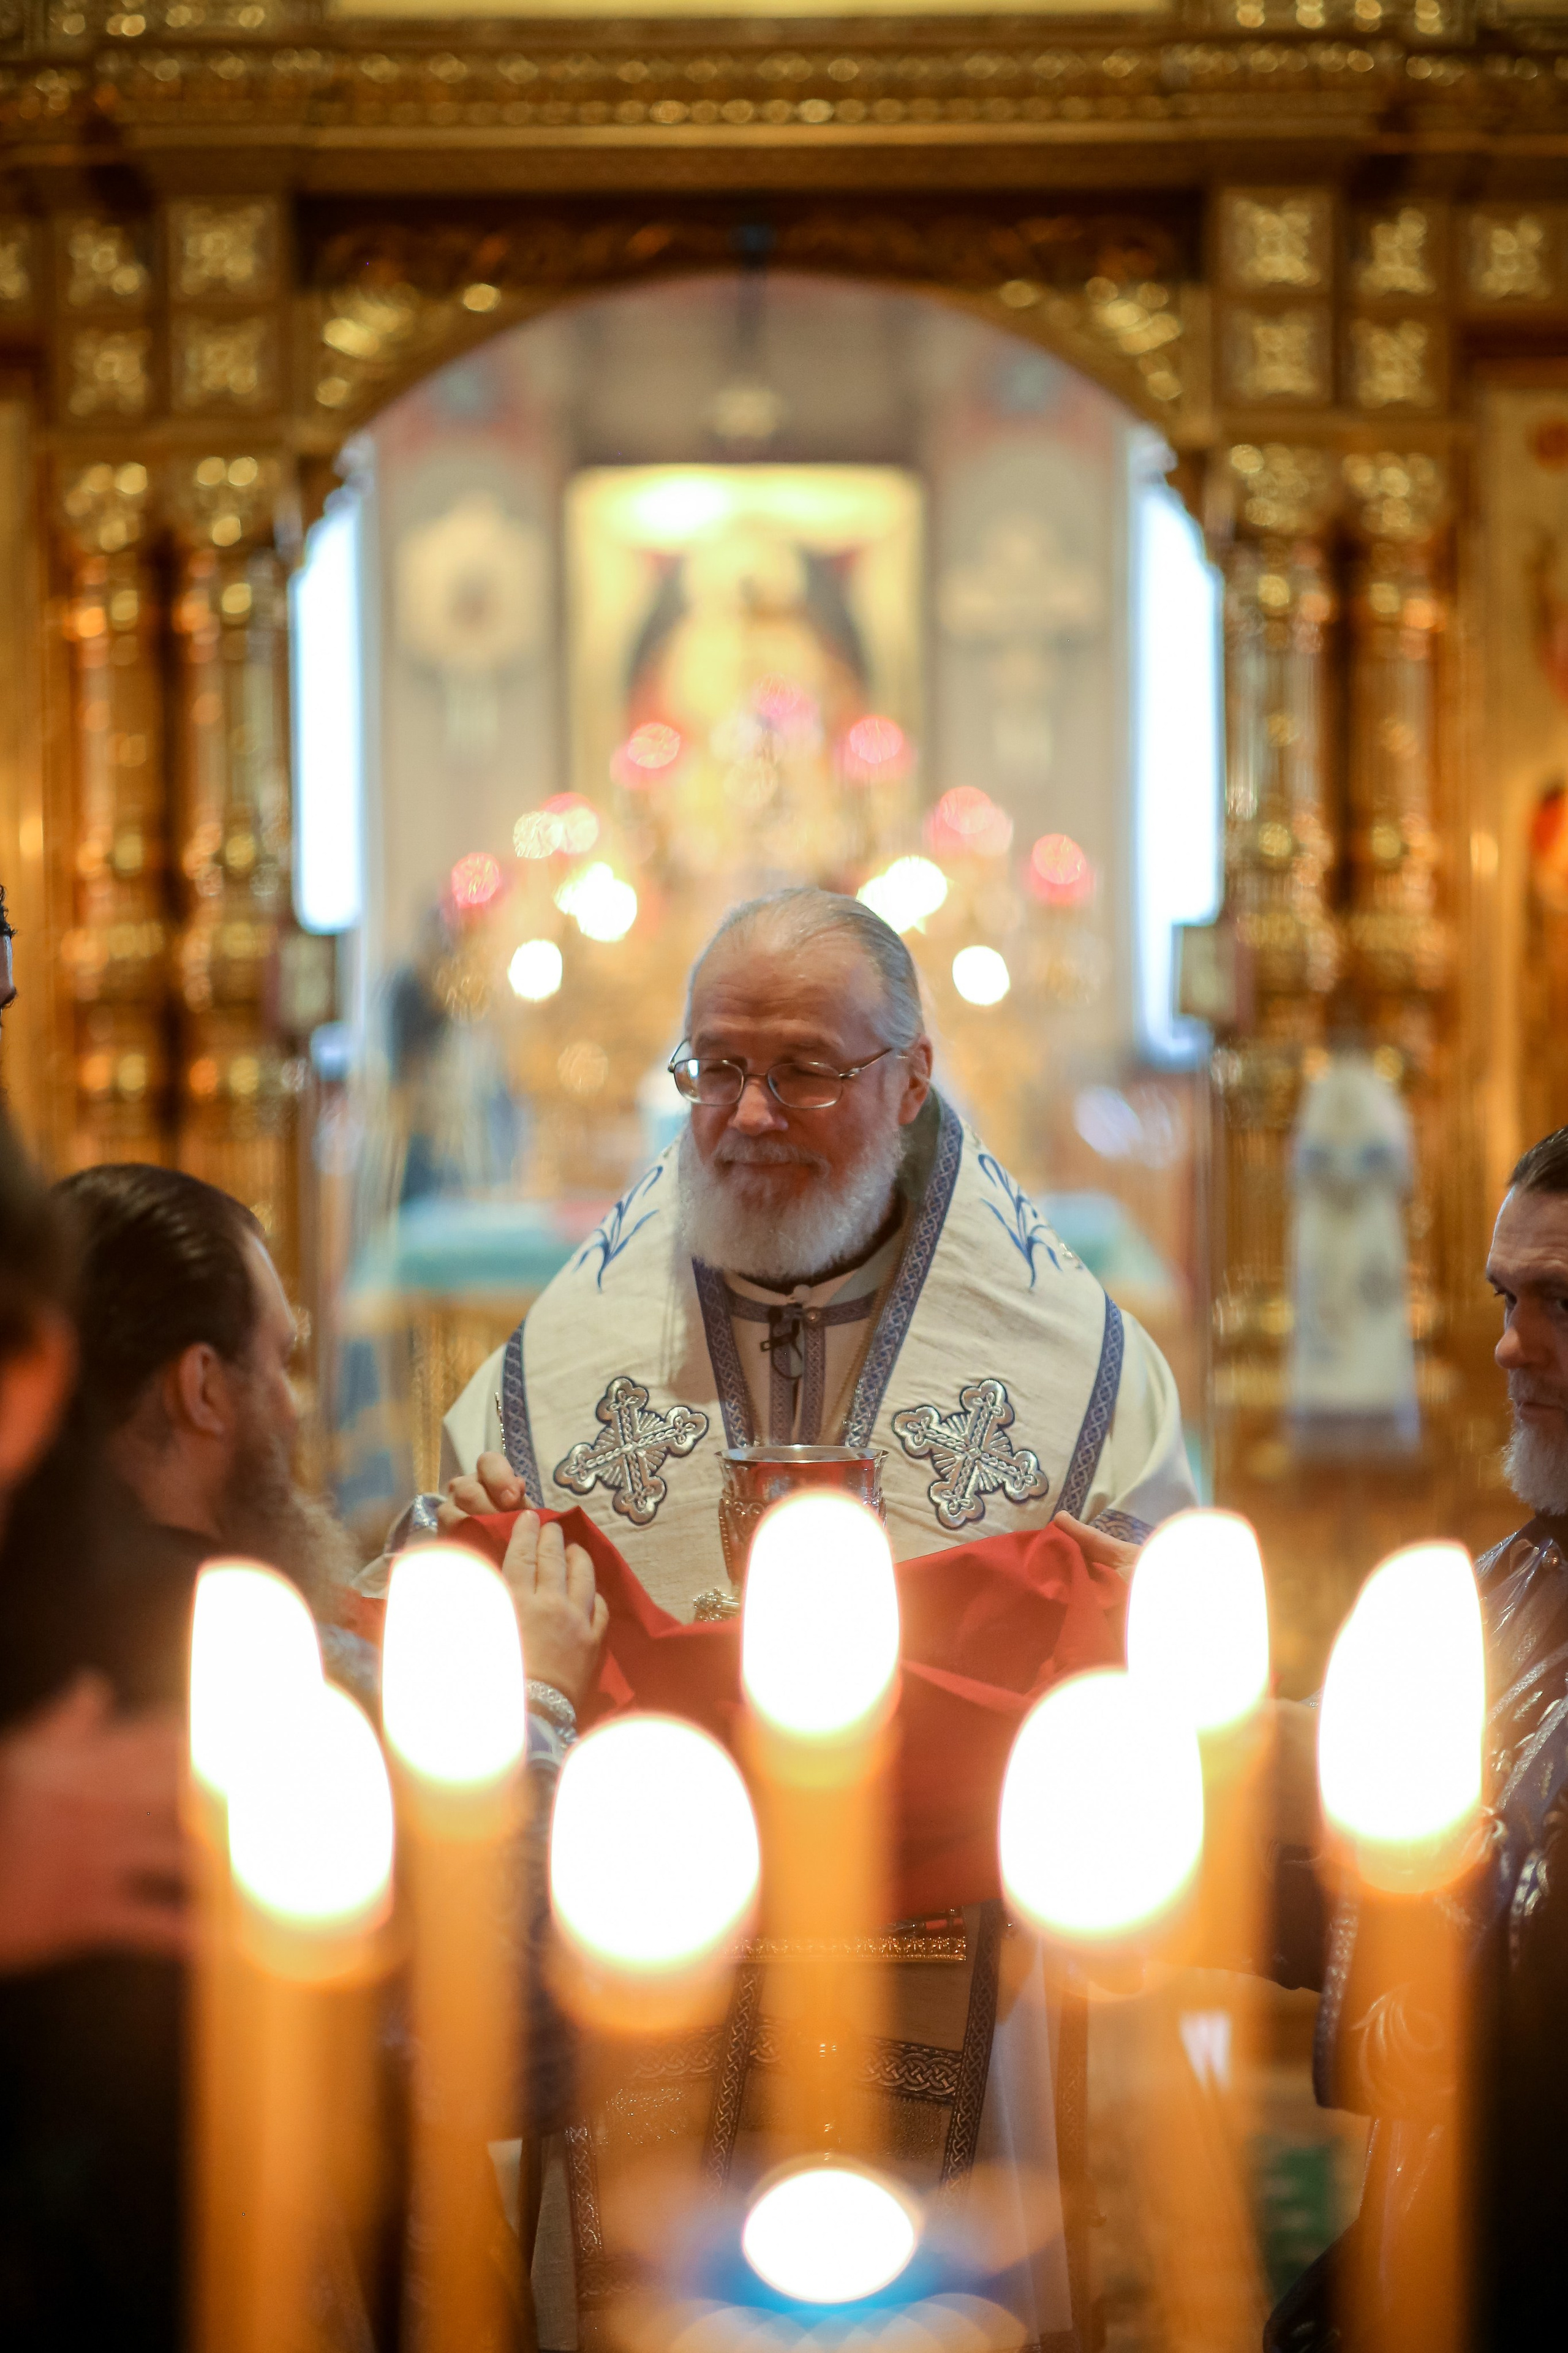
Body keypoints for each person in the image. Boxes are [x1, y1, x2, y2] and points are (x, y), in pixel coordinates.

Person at [430, 885, 1197, 2353]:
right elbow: (468, 1591)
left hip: (970, 1949)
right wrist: (456, 1548)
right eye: (714, 1068)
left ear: (908, 1083)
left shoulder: (1078, 1368)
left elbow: (1152, 1647)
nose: (747, 1114)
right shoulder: (573, 1348)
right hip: (652, 1940)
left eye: (801, 1070)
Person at [1256, 1124, 1568, 2351]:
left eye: (1557, 1301)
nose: (1507, 1342)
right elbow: (1401, 1922)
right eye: (1505, 1296)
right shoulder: (1500, 1584)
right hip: (1445, 2234)